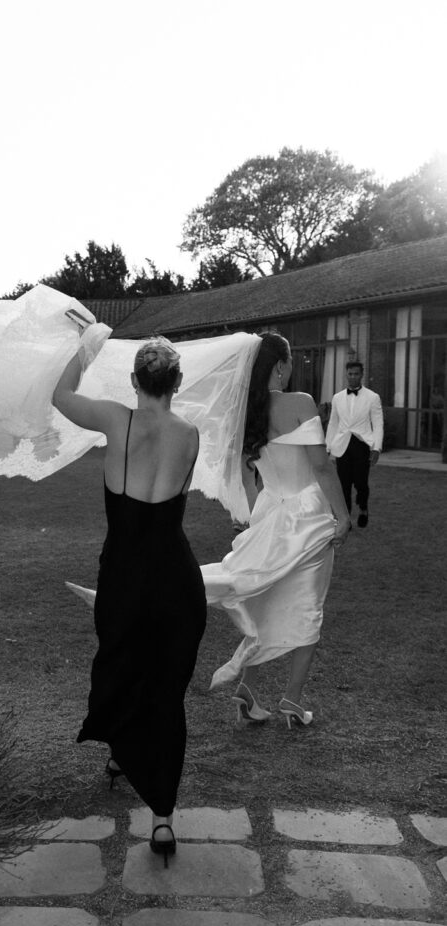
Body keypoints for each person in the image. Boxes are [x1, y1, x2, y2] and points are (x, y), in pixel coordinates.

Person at [53, 330, 207, 867]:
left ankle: (123, 751)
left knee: (122, 666)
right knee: (166, 690)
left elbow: (61, 395)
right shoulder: (190, 433)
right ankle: (162, 819)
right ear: (177, 383)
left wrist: (88, 345)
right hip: (176, 580)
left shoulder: (117, 420)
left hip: (124, 574)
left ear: (134, 381)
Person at [202, 332, 351, 728]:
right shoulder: (299, 403)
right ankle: (292, 699)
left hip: (270, 513)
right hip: (308, 514)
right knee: (308, 607)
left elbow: (246, 473)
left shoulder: (246, 412)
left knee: (266, 600)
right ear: (281, 365)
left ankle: (249, 690)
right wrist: (344, 515)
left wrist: (251, 516)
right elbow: (321, 468)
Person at [325, 361, 383, 528]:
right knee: (343, 484)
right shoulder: (337, 398)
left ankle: (363, 508)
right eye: (350, 374)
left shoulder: (372, 397)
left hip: (361, 444)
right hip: (342, 445)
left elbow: (378, 424)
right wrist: (327, 447)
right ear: (346, 374)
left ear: (361, 375)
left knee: (361, 483)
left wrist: (376, 448)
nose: (352, 377)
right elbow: (333, 424)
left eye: (356, 374)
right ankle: (346, 519)